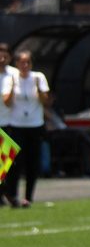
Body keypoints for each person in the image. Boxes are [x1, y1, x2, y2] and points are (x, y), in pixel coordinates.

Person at [2, 50, 49, 207]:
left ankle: (28, 197)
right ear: (17, 64)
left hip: (35, 125)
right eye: (22, 62)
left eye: (28, 62)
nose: (25, 65)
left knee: (32, 162)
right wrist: (14, 86)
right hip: (16, 125)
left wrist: (38, 88)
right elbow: (7, 102)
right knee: (14, 162)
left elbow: (45, 101)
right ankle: (13, 196)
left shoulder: (38, 77)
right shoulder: (11, 78)